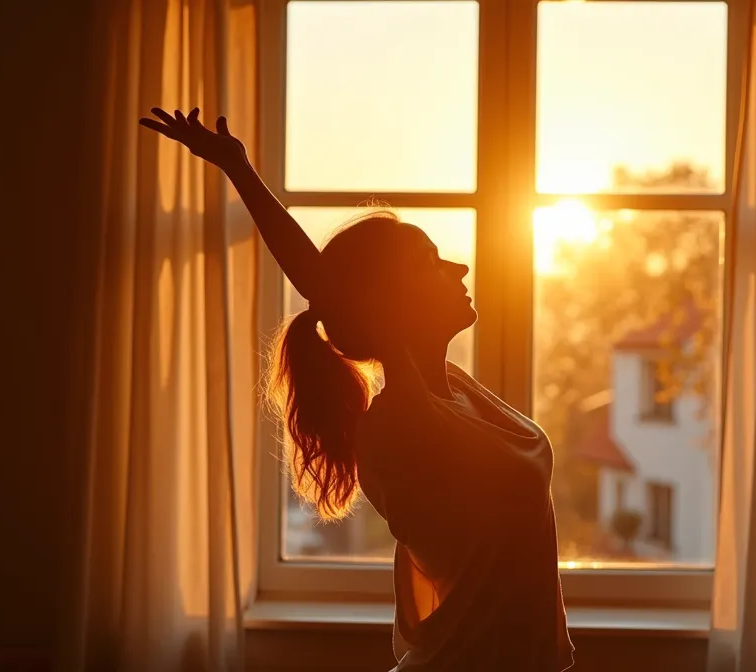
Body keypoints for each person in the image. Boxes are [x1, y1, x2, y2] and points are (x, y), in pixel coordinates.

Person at [141, 108, 575, 672]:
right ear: (387, 303)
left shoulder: (457, 393)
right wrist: (240, 171)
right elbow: (332, 291)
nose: (460, 268)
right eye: (431, 262)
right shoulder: (401, 423)